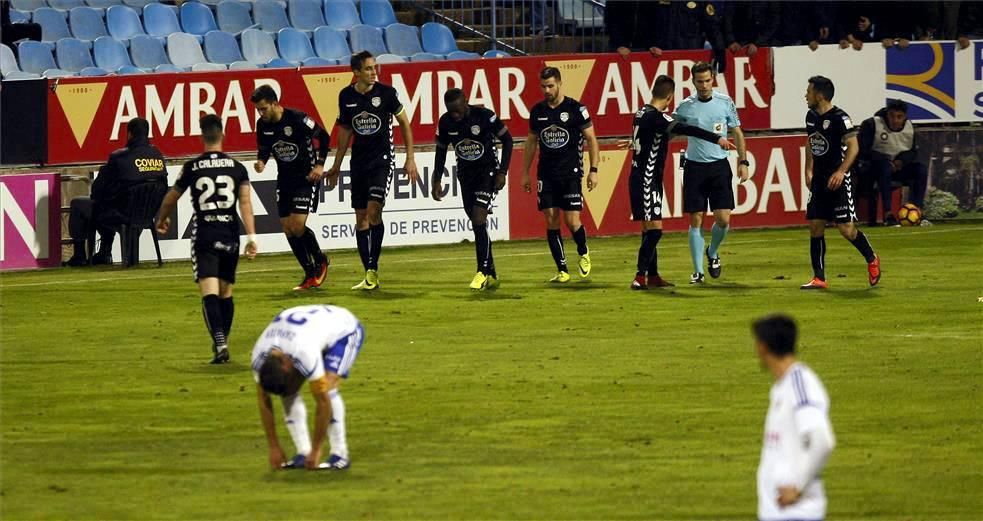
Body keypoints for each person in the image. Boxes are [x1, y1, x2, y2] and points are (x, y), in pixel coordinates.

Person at [155, 115, 257, 364]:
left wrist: (162, 218)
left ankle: (220, 342)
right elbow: (245, 202)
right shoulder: (237, 168)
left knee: (209, 291)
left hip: (205, 232)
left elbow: (172, 196)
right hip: (230, 232)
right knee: (226, 291)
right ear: (222, 134)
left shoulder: (192, 167)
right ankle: (224, 340)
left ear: (202, 136)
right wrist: (252, 236)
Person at [625, 75, 736, 290]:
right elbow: (688, 130)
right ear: (669, 97)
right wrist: (717, 138)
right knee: (655, 230)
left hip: (646, 178)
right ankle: (639, 276)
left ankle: (654, 275)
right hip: (646, 180)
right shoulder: (658, 118)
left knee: (649, 229)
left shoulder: (641, 113)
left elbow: (650, 136)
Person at [326, 51, 419, 291]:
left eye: (374, 67)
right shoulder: (345, 96)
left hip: (382, 160)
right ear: (356, 72)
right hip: (358, 162)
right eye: (368, 68)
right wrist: (336, 166)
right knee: (360, 218)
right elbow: (345, 131)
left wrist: (410, 158)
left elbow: (405, 124)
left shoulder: (387, 94)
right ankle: (369, 271)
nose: (373, 72)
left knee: (373, 210)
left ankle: (373, 269)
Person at [251, 304, 364, 471]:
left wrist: (317, 449)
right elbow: (263, 400)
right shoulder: (259, 358)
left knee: (328, 387)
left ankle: (340, 454)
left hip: (344, 331)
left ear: (287, 366)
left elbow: (323, 402)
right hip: (308, 331)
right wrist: (273, 446)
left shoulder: (304, 352)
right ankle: (303, 452)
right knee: (287, 391)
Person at [752, 314, 836, 521]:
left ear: (763, 347)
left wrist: (797, 487)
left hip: (797, 513)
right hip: (778, 512)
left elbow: (823, 441)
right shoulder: (784, 385)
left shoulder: (801, 385)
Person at [672, 61, 748, 284]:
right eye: (699, 81)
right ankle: (698, 272)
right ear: (692, 81)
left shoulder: (725, 102)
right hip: (694, 167)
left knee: (723, 219)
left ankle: (712, 251)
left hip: (719, 166)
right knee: (696, 219)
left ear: (713, 78)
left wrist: (743, 162)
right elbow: (670, 131)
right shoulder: (685, 106)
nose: (704, 85)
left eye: (707, 80)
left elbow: (738, 133)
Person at [521, 66, 600, 283]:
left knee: (572, 220)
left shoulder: (576, 109)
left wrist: (593, 170)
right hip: (546, 174)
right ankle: (562, 270)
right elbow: (530, 142)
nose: (546, 90)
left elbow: (592, 139)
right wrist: (525, 173)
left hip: (571, 173)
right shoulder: (537, 111)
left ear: (559, 83)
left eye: (550, 86)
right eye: (543, 86)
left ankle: (583, 252)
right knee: (551, 219)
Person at [802, 75, 880, 290]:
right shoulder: (811, 116)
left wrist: (841, 172)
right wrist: (808, 169)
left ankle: (872, 258)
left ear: (819, 95)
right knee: (816, 226)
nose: (805, 95)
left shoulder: (840, 118)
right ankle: (819, 277)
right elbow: (811, 142)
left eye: (808, 92)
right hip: (818, 179)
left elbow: (854, 147)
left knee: (846, 229)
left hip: (839, 179)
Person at [431, 88, 514, 291]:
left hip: (488, 174)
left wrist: (502, 171)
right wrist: (436, 179)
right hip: (465, 177)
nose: (455, 115)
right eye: (451, 112)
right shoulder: (445, 122)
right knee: (478, 224)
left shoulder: (484, 116)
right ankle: (491, 270)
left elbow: (508, 140)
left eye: (458, 111)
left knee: (478, 218)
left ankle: (482, 272)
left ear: (466, 102)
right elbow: (441, 151)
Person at [251, 85, 330, 291]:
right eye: (259, 110)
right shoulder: (262, 125)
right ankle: (309, 273)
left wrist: (320, 165)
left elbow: (324, 136)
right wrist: (261, 162)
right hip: (284, 179)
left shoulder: (297, 118)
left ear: (275, 103)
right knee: (287, 228)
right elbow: (265, 148)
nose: (261, 113)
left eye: (264, 108)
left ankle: (321, 260)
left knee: (297, 225)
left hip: (306, 178)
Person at [65, 118, 167, 266]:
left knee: (82, 204)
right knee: (108, 203)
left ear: (130, 135)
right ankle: (104, 253)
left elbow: (97, 190)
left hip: (122, 215)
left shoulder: (119, 157)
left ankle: (80, 256)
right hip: (147, 214)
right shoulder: (157, 155)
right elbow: (163, 185)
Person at [858, 99, 928, 226]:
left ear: (905, 117)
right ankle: (888, 213)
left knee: (920, 169)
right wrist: (883, 160)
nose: (895, 120)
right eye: (892, 116)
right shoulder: (872, 124)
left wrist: (901, 161)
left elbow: (912, 152)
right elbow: (863, 150)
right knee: (885, 168)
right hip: (873, 169)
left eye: (899, 117)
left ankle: (917, 211)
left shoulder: (909, 128)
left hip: (897, 167)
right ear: (887, 114)